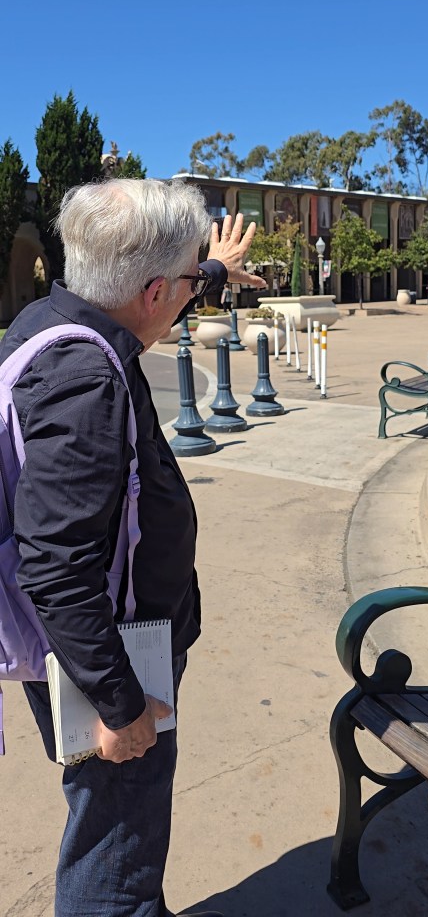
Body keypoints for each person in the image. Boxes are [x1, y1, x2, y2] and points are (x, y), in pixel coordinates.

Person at [0, 178, 267, 917]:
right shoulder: (84, 381)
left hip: (105, 643)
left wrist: (211, 272)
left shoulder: (54, 314)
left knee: (122, 828)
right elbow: (56, 566)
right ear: (152, 293)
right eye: (184, 284)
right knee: (116, 834)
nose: (192, 293)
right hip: (112, 655)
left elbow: (159, 288)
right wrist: (119, 705)